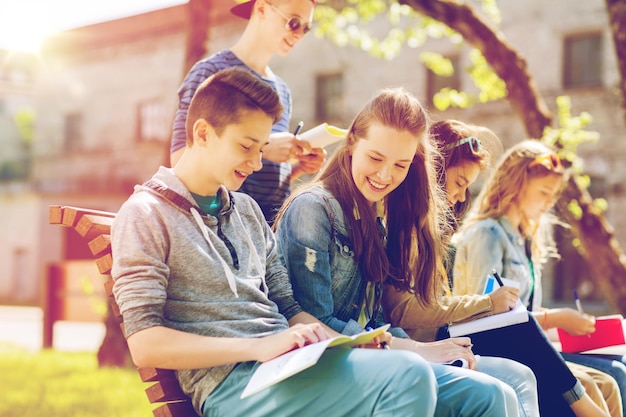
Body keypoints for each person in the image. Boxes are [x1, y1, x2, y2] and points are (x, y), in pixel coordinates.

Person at [111, 67, 449, 417]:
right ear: (203, 133)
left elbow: (289, 310)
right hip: (234, 387)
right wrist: (258, 347)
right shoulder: (145, 215)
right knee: (408, 377)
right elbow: (145, 345)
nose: (257, 163)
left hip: (290, 367)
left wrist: (345, 343)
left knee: (474, 393)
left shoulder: (246, 210)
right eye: (246, 146)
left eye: (261, 149)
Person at [274, 89, 527, 416]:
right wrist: (416, 349)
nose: (385, 176)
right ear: (352, 143)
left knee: (506, 384)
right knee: (487, 393)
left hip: (371, 358)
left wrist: (423, 348)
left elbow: (375, 320)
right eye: (376, 159)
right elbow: (317, 321)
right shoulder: (313, 209)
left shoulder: (373, 217)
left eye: (401, 165)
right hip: (327, 366)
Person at [383, 120, 619, 417]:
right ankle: (587, 410)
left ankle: (586, 408)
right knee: (523, 332)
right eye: (458, 183)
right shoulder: (413, 232)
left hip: (448, 334)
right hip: (431, 341)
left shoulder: (432, 234)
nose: (459, 197)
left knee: (609, 374)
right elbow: (409, 311)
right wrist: (492, 304)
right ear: (433, 172)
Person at [451, 138, 623, 416]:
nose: (549, 203)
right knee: (594, 383)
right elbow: (483, 313)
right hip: (501, 350)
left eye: (553, 195)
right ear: (516, 186)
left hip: (532, 345)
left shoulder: (525, 240)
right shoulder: (488, 234)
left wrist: (565, 322)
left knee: (611, 376)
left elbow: (524, 310)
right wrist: (557, 318)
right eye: (544, 192)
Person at [170, 0, 326, 224]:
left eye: (306, 27)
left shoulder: (283, 90)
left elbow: (261, 180)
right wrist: (266, 147)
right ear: (262, 9)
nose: (299, 34)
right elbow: (179, 162)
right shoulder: (211, 73)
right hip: (223, 227)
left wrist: (297, 167)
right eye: (293, 22)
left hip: (269, 230)